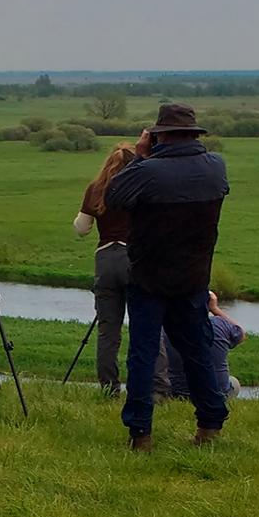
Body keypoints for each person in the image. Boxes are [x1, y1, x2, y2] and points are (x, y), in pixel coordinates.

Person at [104, 103, 230, 452]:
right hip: (193, 276)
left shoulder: (150, 171)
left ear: (160, 136)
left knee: (143, 355)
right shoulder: (216, 167)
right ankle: (210, 423)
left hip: (149, 277)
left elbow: (113, 197)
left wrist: (140, 157)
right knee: (197, 351)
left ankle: (141, 433)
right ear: (194, 134)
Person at [74, 136, 168, 395]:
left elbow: (81, 228)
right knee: (147, 327)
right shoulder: (141, 187)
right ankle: (157, 389)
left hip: (104, 259)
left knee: (108, 332)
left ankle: (109, 388)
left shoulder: (96, 188)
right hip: (134, 258)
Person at [164, 292, 246, 400]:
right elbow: (241, 334)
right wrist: (215, 309)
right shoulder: (220, 324)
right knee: (234, 382)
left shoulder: (168, 328)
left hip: (180, 393)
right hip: (217, 394)